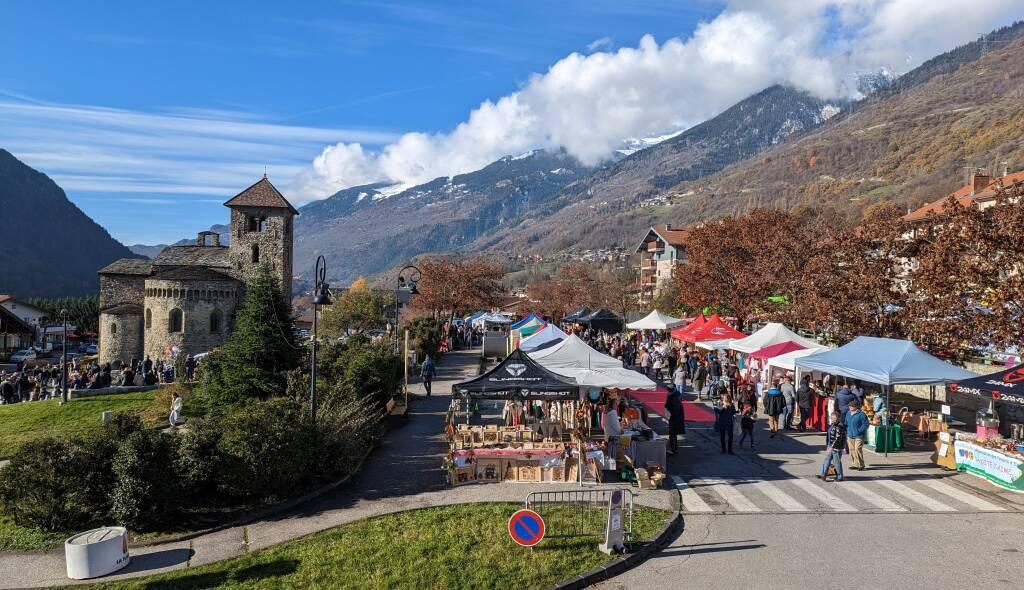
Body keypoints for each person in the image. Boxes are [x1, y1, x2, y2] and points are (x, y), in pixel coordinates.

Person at [818, 410, 846, 481]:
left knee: (836, 462)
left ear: (838, 418)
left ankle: (839, 476)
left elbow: (838, 438)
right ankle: (823, 474)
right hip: (830, 445)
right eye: (832, 418)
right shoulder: (833, 424)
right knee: (826, 460)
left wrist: (832, 447)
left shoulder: (840, 426)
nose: (832, 419)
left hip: (836, 447)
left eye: (834, 418)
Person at [845, 401, 869, 470]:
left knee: (857, 449)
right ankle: (855, 464)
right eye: (849, 406)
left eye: (851, 406)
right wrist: (847, 430)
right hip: (850, 435)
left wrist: (859, 431)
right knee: (851, 450)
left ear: (856, 407)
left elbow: (865, 425)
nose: (850, 407)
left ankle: (861, 465)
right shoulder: (848, 413)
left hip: (859, 436)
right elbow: (846, 423)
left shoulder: (861, 414)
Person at [664, 387, 686, 455]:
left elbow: (675, 410)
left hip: (674, 418)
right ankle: (674, 448)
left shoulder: (674, 398)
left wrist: (669, 416)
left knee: (672, 434)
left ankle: (673, 449)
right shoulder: (675, 396)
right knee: (674, 434)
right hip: (675, 418)